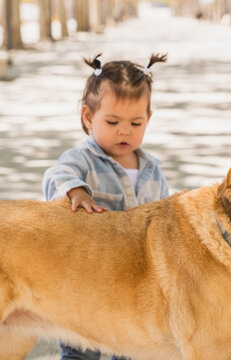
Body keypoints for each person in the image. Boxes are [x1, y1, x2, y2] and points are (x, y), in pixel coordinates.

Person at [42, 53, 169, 360]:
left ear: (148, 119)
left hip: (133, 285)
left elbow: (167, 217)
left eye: (135, 122)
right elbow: (56, 177)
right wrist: (76, 192)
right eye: (112, 122)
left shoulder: (153, 169)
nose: (124, 131)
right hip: (83, 282)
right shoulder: (82, 159)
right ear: (89, 117)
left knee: (134, 350)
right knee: (81, 353)